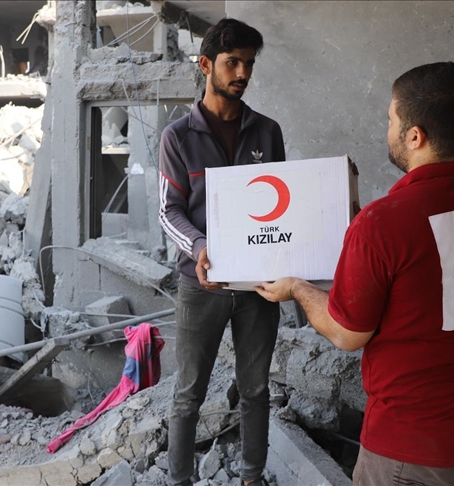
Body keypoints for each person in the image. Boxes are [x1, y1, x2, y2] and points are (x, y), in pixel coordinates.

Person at [256, 62, 454, 486]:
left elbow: (346, 334)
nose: (386, 129)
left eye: (390, 119)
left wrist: (297, 288)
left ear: (415, 136)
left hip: (418, 453)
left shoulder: (383, 222)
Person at [158, 18, 285, 486]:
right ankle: (180, 480)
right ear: (206, 65)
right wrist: (200, 247)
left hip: (258, 286)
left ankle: (252, 477)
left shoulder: (267, 132)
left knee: (256, 388)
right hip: (201, 284)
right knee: (188, 393)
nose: (243, 73)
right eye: (233, 63)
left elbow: (281, 206)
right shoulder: (178, 137)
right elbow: (168, 211)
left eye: (249, 64)